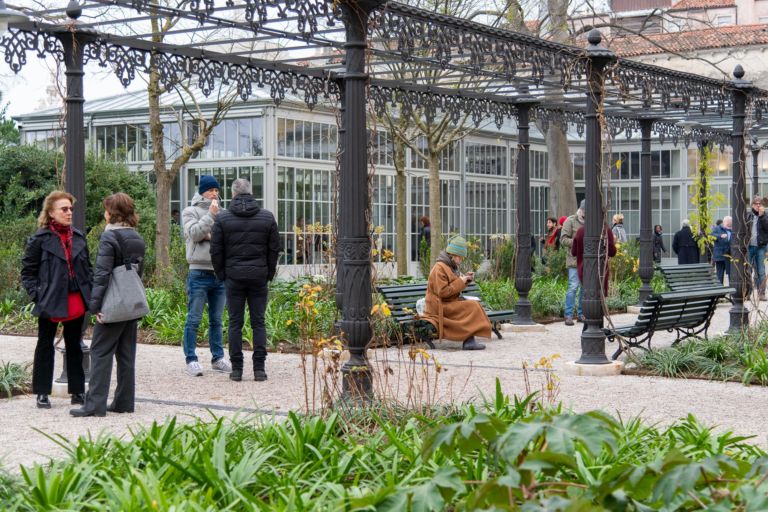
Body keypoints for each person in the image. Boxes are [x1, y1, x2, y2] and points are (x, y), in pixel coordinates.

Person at [71, 193, 146, 417]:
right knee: (126, 354)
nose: (104, 213)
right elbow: (137, 273)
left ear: (111, 213)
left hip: (112, 304)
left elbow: (102, 274)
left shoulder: (109, 237)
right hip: (130, 303)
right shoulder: (137, 237)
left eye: (106, 209)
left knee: (100, 351)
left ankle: (94, 404)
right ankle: (124, 402)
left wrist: (95, 307)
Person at [21, 191, 92, 410]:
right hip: (50, 300)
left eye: (70, 208)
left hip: (75, 300)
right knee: (45, 345)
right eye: (64, 209)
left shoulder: (78, 237)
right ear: (51, 212)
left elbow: (87, 270)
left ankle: (78, 391)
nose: (69, 212)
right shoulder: (39, 240)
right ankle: (42, 392)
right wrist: (38, 295)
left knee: (75, 346)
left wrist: (90, 293)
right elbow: (27, 272)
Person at [211, 178, 280, 382]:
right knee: (258, 322)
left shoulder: (223, 219)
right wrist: (269, 273)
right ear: (251, 192)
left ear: (233, 194)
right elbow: (274, 249)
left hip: (234, 276)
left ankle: (237, 369)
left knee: (235, 323)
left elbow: (216, 250)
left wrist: (222, 274)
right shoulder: (267, 218)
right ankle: (259, 369)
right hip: (258, 275)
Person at [181, 175, 231, 377]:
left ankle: (218, 358)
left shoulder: (224, 213)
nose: (215, 193)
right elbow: (193, 234)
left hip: (219, 273)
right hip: (198, 272)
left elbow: (228, 238)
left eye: (217, 190)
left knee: (217, 320)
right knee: (193, 319)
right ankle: (191, 359)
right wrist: (210, 216)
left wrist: (209, 235)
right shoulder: (190, 211)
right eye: (211, 190)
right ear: (202, 191)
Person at [420, 236, 491, 350]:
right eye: (461, 257)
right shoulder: (439, 268)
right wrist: (461, 281)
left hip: (447, 303)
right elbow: (443, 292)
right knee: (472, 306)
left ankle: (469, 340)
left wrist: (465, 280)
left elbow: (452, 286)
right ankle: (469, 341)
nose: (461, 260)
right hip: (439, 306)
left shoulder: (448, 266)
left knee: (472, 304)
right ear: (454, 255)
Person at [572, 223, 617, 300]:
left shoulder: (580, 231)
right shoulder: (605, 230)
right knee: (599, 300)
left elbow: (573, 252)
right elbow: (612, 252)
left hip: (583, 270)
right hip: (601, 272)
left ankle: (582, 312)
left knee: (586, 296)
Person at [560, 200, 585, 326]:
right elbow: (563, 239)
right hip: (574, 260)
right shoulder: (570, 221)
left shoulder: (591, 222)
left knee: (585, 289)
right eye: (585, 212)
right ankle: (568, 315)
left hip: (587, 261)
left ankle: (581, 314)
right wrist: (577, 242)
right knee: (573, 287)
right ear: (580, 210)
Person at [748, 195, 768, 299]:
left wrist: (762, 216)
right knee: (747, 270)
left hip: (761, 247)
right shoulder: (748, 215)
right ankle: (747, 293)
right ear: (752, 205)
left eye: (760, 204)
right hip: (749, 247)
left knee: (761, 270)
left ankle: (762, 293)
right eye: (756, 203)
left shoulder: (765, 215)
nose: (758, 205)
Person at [711, 215, 732, 285]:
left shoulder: (732, 230)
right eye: (728, 224)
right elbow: (711, 235)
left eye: (730, 225)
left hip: (729, 256)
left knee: (731, 274)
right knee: (719, 274)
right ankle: (720, 292)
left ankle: (732, 290)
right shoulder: (717, 228)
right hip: (719, 255)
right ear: (724, 222)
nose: (729, 227)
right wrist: (720, 236)